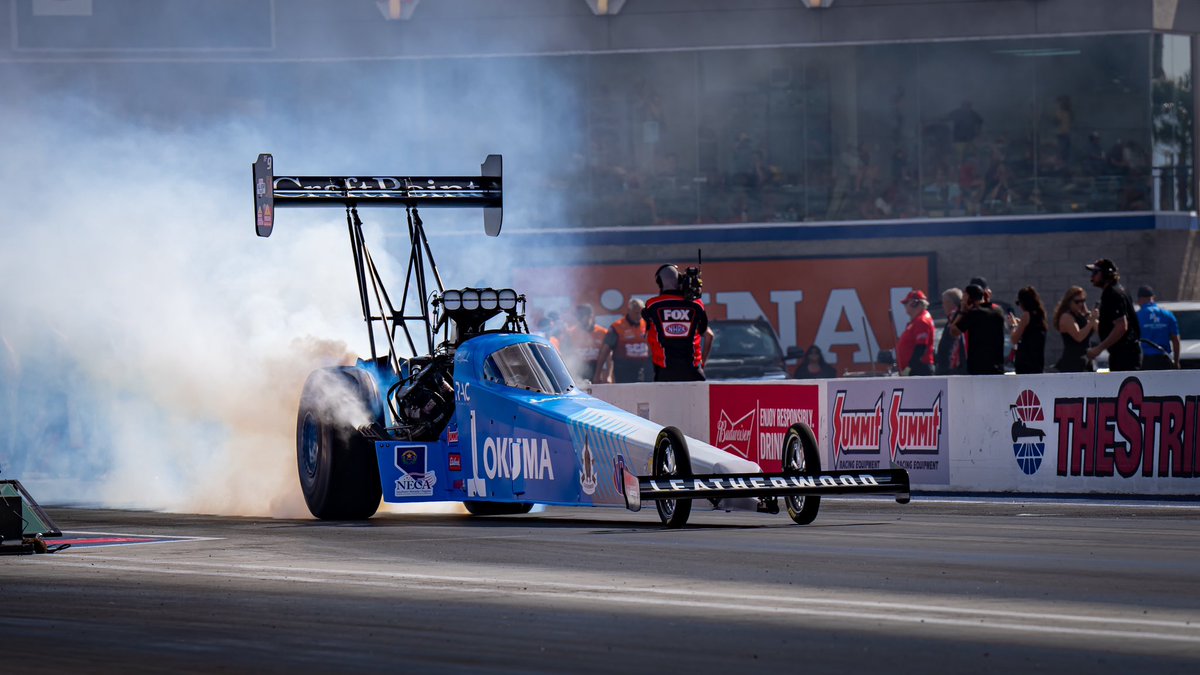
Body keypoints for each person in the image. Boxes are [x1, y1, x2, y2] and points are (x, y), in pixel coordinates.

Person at [642, 264, 712, 382]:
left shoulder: (652, 305)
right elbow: (707, 334)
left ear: (659, 282)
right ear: (680, 280)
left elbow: (647, 335)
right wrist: (702, 363)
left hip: (664, 371)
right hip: (694, 371)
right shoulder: (697, 305)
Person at [1084, 259, 1141, 371]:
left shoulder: (1113, 293)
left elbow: (1121, 326)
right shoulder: (1116, 290)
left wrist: (1098, 349)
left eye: (1095, 273)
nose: (1092, 277)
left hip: (1125, 356)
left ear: (1106, 274)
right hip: (1122, 354)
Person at [949, 283, 1006, 375]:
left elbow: (954, 331)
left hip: (978, 368)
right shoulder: (998, 311)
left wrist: (962, 312)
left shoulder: (973, 314)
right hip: (997, 367)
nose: (962, 301)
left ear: (969, 297)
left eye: (964, 297)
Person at [593, 298, 651, 383]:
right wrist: (597, 374)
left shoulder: (647, 324)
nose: (639, 316)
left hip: (644, 369)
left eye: (641, 313)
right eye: (636, 313)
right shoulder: (617, 327)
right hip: (624, 370)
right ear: (629, 310)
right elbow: (605, 351)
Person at [1052, 286, 1098, 373]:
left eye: (1083, 301)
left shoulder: (1081, 316)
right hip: (1072, 362)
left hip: (1086, 362)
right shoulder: (1066, 316)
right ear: (1069, 302)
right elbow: (1078, 337)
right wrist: (1091, 321)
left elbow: (1100, 330)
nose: (1080, 304)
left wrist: (1089, 315)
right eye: (1077, 302)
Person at [1135, 285, 1180, 370]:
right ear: (1153, 298)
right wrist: (1176, 361)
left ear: (1140, 299)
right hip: (1165, 359)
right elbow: (1175, 339)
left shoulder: (1137, 316)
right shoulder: (1168, 315)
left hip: (1146, 360)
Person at [561, 304, 608, 383]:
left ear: (591, 316)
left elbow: (608, 357)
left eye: (584, 317)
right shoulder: (570, 333)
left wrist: (608, 375)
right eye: (579, 317)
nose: (582, 320)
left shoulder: (602, 332)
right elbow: (566, 355)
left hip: (597, 371)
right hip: (579, 372)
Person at [1009, 286, 1047, 374]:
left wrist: (1013, 325)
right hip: (1037, 363)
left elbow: (1014, 339)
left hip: (1025, 364)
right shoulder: (1040, 315)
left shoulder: (1026, 315)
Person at [896, 289, 935, 376]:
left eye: (907, 303)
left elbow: (921, 347)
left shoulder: (922, 321)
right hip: (916, 368)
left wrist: (910, 367)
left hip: (919, 369)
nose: (905, 306)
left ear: (914, 303)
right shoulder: (916, 321)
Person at [936, 288, 968, 375]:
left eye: (944, 302)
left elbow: (954, 342)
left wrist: (946, 367)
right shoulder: (956, 317)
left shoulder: (955, 317)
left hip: (953, 368)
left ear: (950, 303)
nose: (943, 306)